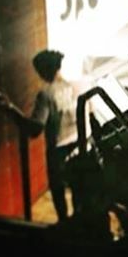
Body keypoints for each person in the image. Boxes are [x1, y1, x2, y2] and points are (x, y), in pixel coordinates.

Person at [23, 49, 79, 222]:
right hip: (78, 144)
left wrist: (13, 114)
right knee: (77, 186)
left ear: (44, 70)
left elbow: (36, 128)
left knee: (57, 188)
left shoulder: (46, 94)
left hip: (58, 151)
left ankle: (63, 222)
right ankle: (78, 222)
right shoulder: (73, 86)